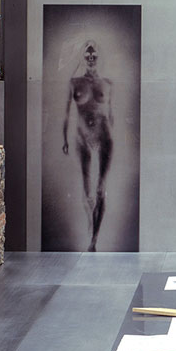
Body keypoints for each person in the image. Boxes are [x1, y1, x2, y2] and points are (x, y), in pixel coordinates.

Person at [61, 39, 114, 251]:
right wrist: (64, 138)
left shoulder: (108, 84)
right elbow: (66, 113)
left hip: (104, 137)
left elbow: (112, 115)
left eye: (94, 55)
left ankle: (94, 240)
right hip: (81, 137)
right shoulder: (74, 82)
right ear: (83, 58)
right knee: (87, 191)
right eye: (87, 55)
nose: (91, 58)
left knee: (101, 188)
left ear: (99, 58)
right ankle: (91, 225)